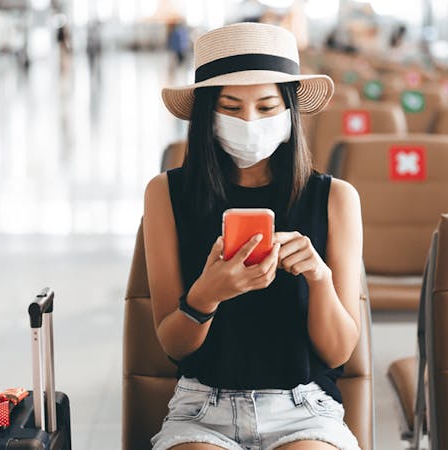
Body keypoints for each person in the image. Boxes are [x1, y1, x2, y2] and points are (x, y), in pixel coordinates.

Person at [144, 22, 364, 450]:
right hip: (202, 409)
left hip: (304, 408)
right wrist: (206, 294)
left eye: (266, 107)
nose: (249, 122)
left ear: (289, 113)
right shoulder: (165, 194)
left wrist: (319, 280)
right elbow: (173, 345)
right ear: (207, 114)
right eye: (231, 107)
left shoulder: (335, 197)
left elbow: (338, 353)